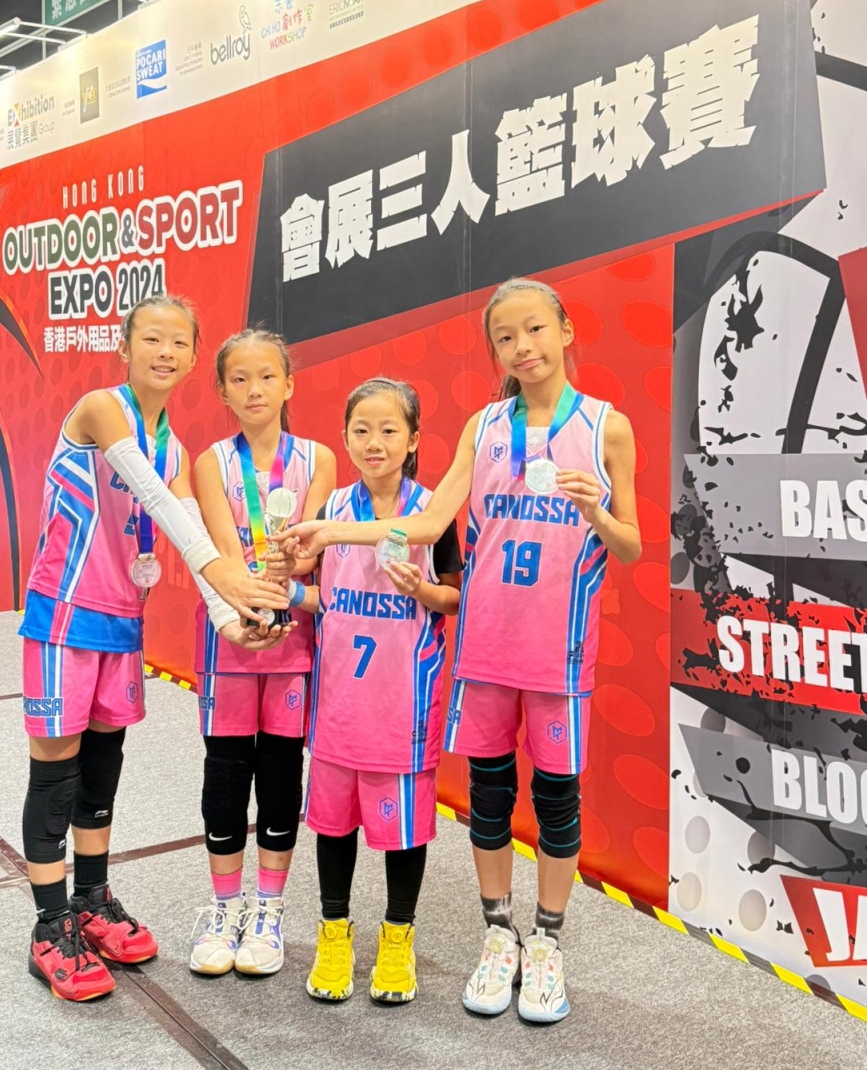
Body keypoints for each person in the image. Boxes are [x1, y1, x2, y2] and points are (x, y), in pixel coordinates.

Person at [286, 280, 641, 1023]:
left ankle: (547, 941)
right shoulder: (485, 427)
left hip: (559, 654)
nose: (522, 347)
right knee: (489, 796)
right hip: (486, 647)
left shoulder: (607, 428)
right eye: (505, 337)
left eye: (534, 329)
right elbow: (427, 523)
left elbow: (632, 546)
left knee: (557, 799)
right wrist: (330, 532)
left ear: (566, 329)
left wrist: (597, 511)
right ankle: (498, 934)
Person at [20, 296, 289, 1002]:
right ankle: (49, 926)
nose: (165, 352)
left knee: (102, 768)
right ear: (125, 347)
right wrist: (227, 574)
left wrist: (231, 618)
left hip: (121, 625)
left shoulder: (175, 449)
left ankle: (91, 899)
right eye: (151, 339)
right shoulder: (101, 410)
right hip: (63, 617)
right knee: (56, 776)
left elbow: (181, 524)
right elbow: (163, 506)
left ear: (195, 357)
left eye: (178, 343)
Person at [296, 378, 461, 1005]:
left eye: (389, 430)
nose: (375, 442)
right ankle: (334, 933)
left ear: (413, 439)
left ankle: (397, 937)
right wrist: (284, 589)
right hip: (339, 704)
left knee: (404, 833)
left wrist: (423, 592)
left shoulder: (433, 512)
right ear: (344, 437)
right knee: (333, 827)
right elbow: (321, 595)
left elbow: (455, 596)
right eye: (361, 430)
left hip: (402, 706)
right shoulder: (331, 509)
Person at [189, 329, 335, 980]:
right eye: (240, 379)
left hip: (293, 638)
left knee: (279, 772)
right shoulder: (211, 462)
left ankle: (269, 912)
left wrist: (286, 580)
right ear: (223, 391)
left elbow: (310, 550)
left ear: (288, 384)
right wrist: (244, 613)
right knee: (225, 773)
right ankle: (224, 910)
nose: (254, 390)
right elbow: (223, 552)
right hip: (230, 635)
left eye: (267, 377)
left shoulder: (319, 459)